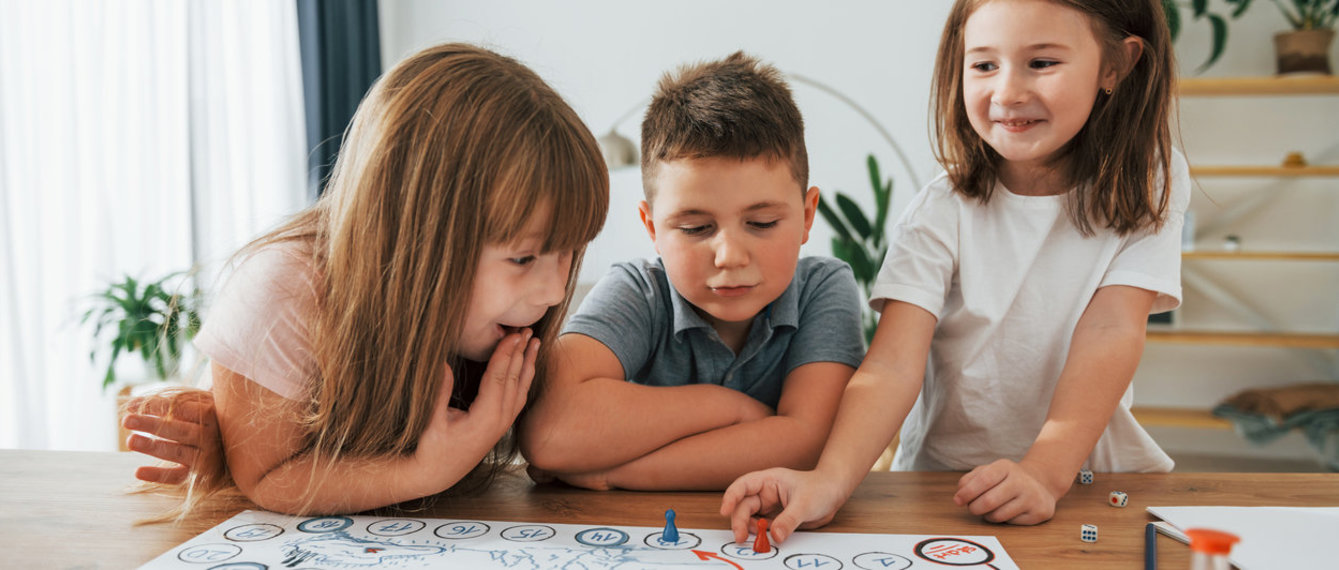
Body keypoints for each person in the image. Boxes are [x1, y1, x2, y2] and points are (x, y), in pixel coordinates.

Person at [721, 0, 1187, 542]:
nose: (1008, 92)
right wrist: (829, 480)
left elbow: (1112, 330)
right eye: (984, 65)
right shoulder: (940, 210)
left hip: (1081, 480)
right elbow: (893, 364)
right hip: (946, 488)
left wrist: (1045, 470)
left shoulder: (1150, 178)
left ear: (1116, 65)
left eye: (1041, 63)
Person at [122, 42, 609, 516]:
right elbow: (266, 476)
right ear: (414, 232)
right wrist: (426, 471)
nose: (555, 292)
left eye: (568, 253)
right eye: (523, 259)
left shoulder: (496, 320)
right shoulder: (283, 287)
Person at [517, 52, 866, 491]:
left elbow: (808, 444)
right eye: (695, 228)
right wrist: (730, 409)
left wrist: (614, 472)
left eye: (761, 224)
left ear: (807, 215)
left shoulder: (823, 288)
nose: (729, 256)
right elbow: (549, 434)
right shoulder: (637, 291)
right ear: (651, 228)